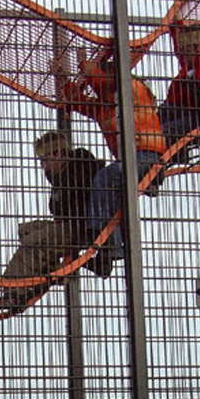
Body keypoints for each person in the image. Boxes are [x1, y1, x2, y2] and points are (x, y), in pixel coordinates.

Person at [61, 54, 167, 277]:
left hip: (147, 154)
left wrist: (84, 64)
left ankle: (101, 238)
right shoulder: (104, 107)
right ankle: (108, 253)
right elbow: (78, 101)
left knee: (105, 177)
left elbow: (103, 82)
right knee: (113, 194)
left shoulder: (134, 89)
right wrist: (63, 79)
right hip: (128, 160)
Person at [0, 130, 105, 308]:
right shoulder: (57, 177)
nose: (44, 166)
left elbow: (78, 198)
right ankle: (49, 272)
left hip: (82, 227)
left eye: (46, 160)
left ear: (60, 154)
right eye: (41, 161)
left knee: (33, 243)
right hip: (68, 224)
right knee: (25, 230)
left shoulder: (80, 166)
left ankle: (14, 293)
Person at [159, 21, 200, 155]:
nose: (180, 55)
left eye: (184, 50)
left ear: (198, 47)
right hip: (195, 112)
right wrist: (175, 25)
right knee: (161, 114)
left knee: (163, 133)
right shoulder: (196, 64)